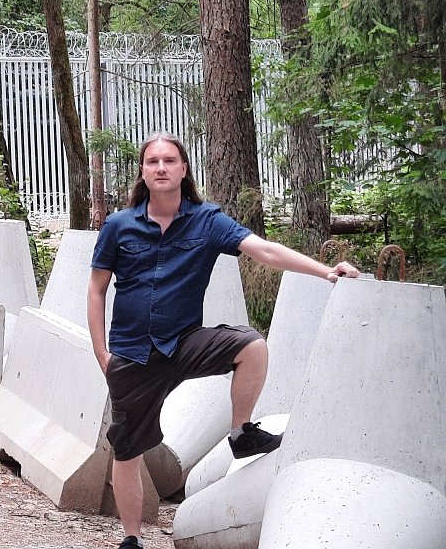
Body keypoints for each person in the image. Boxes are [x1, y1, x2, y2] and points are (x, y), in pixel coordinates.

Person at [87, 132, 359, 549]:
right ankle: (132, 539)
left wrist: (326, 272)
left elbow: (265, 251)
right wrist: (101, 352)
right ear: (143, 171)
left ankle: (241, 433)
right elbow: (97, 290)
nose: (161, 168)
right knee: (127, 451)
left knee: (252, 346)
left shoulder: (208, 220)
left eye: (169, 161)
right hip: (132, 353)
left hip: (184, 343)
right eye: (153, 161)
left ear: (183, 169)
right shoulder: (118, 226)